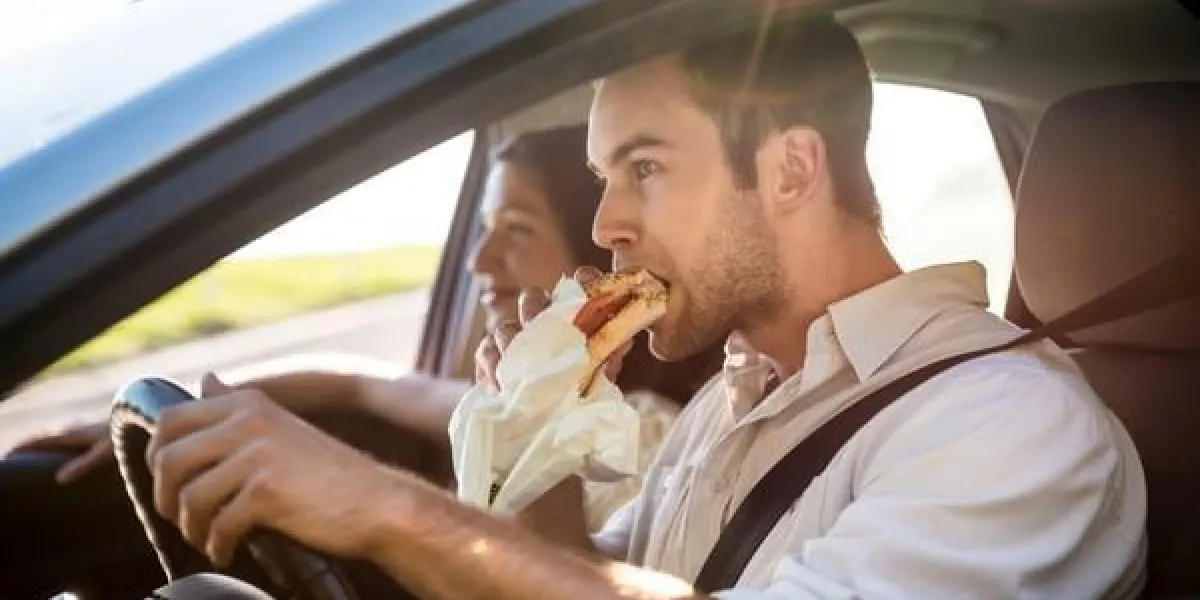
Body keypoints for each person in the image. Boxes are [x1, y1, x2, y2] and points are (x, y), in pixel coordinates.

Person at [140, 14, 1146, 599]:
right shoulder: (729, 402)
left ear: (791, 168)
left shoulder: (1013, 425)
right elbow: (580, 582)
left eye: (644, 168)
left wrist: (380, 506)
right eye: (601, 176)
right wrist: (536, 426)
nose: (608, 222)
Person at [13, 125, 723, 536]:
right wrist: (175, 415)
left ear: (591, 258)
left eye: (516, 230)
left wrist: (364, 499)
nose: (480, 260)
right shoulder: (513, 404)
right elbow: (367, 383)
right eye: (480, 230)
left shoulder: (646, 437)